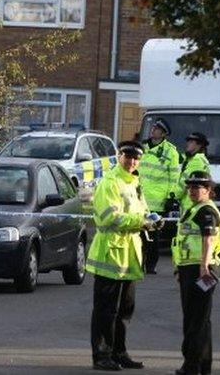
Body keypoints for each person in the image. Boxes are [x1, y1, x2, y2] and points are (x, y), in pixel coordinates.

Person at [87, 140, 163, 371]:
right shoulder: (110, 182)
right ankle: (101, 355)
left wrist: (152, 219)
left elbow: (142, 210)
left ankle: (119, 352)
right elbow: (110, 218)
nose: (132, 162)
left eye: (136, 158)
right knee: (106, 310)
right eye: (127, 157)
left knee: (124, 310)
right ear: (119, 156)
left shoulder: (134, 182)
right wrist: (143, 222)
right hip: (110, 253)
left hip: (129, 253)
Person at [171, 171, 220, 375]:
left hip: (199, 269)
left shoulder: (205, 211)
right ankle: (202, 366)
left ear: (209, 190)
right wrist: (179, 268)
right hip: (189, 268)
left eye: (198, 187)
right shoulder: (194, 209)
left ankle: (192, 366)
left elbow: (208, 239)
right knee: (199, 320)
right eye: (191, 187)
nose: (193, 191)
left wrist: (203, 267)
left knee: (196, 321)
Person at [139, 118, 180, 274]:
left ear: (163, 133)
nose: (153, 130)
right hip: (139, 200)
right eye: (153, 127)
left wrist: (171, 196)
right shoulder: (142, 147)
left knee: (153, 237)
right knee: (138, 235)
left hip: (157, 202)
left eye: (156, 128)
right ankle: (139, 263)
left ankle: (151, 266)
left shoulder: (170, 151)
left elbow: (174, 176)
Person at [178, 133, 211, 215]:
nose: (188, 144)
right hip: (191, 202)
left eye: (191, 142)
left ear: (199, 145)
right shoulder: (191, 159)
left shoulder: (197, 160)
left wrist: (173, 196)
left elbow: (184, 182)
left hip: (190, 202)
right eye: (188, 141)